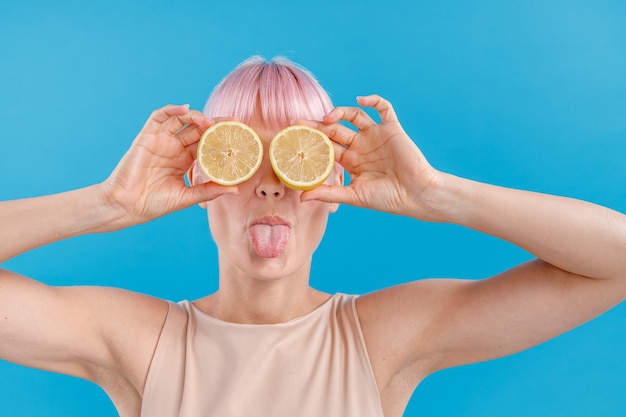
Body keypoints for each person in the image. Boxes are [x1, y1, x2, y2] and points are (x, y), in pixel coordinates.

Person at [1, 55, 625, 417]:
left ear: (333, 193)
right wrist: (108, 204)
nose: (271, 187)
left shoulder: (382, 336)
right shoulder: (139, 342)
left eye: (298, 160)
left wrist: (438, 194)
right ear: (200, 184)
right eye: (241, 160)